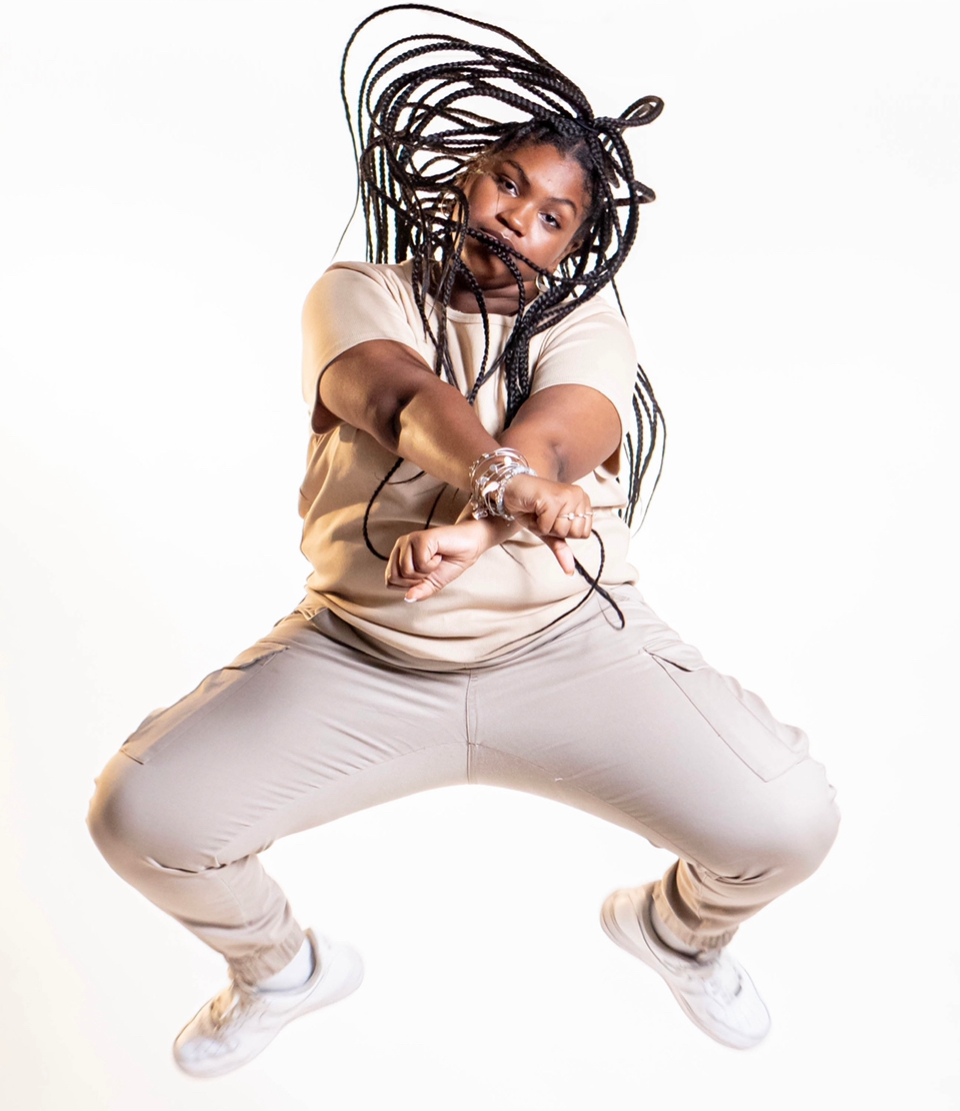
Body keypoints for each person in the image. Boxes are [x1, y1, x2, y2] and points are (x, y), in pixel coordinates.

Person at [87, 4, 839, 1079]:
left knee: (787, 821)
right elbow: (398, 397)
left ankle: (677, 930)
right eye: (508, 185)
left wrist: (486, 521)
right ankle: (281, 967)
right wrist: (500, 489)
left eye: (554, 219)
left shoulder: (588, 326)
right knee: (140, 814)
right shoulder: (361, 294)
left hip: (574, 652)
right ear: (462, 180)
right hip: (361, 655)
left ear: (575, 249)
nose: (518, 221)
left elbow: (562, 434)